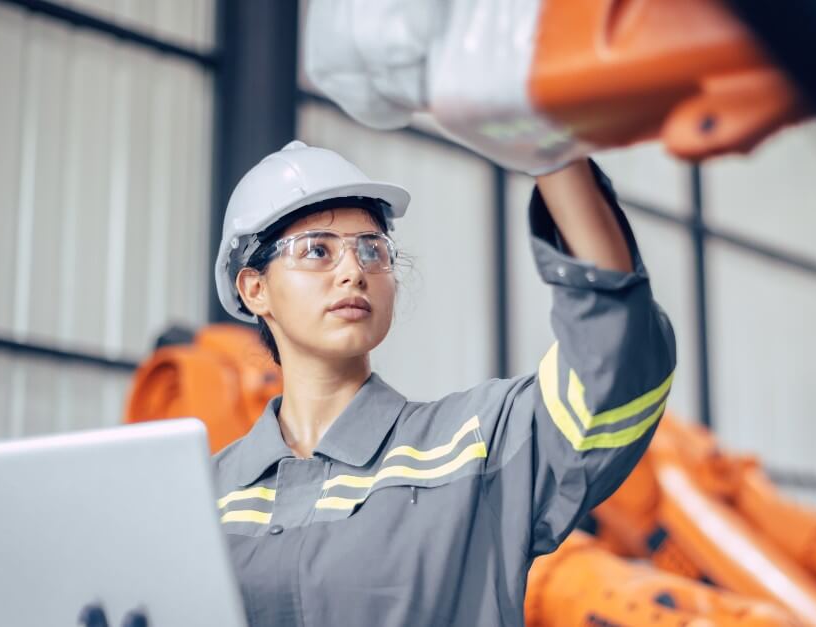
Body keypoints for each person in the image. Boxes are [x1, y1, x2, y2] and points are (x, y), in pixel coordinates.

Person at [211, 140, 676, 626]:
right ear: (255, 289)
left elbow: (612, 360)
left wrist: (551, 152)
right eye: (317, 251)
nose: (353, 271)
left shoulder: (475, 445)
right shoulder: (202, 494)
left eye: (372, 250)